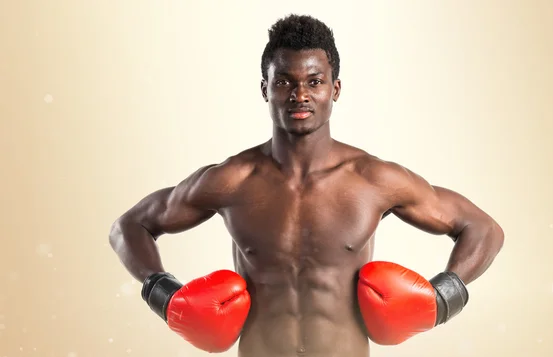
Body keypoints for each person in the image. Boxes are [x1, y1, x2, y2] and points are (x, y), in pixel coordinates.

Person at [109, 14, 504, 357]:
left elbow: (483, 229)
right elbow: (129, 227)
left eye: (314, 81)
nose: (300, 95)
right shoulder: (232, 180)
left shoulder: (372, 179)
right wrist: (165, 296)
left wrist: (441, 299)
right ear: (265, 89)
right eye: (284, 82)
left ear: (334, 89)